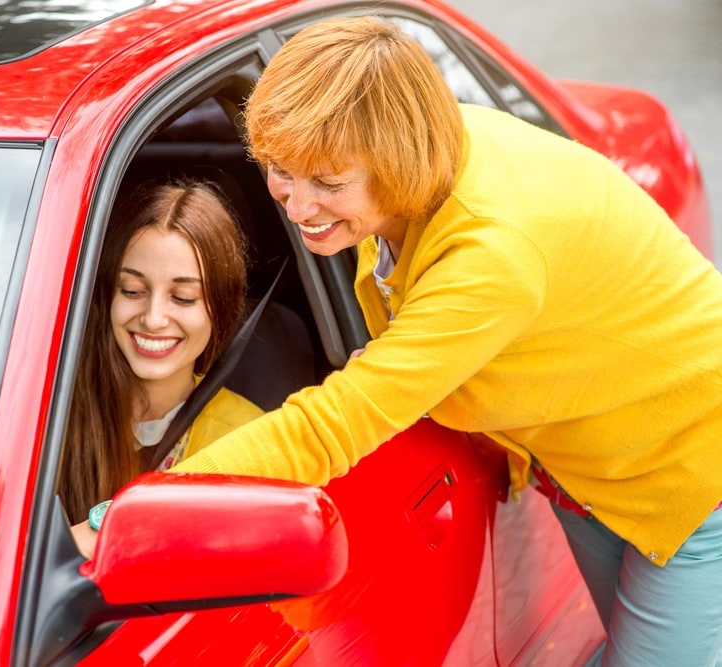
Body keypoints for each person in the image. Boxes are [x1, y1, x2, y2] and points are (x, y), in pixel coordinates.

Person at [164, 17, 722, 667]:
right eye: (279, 170)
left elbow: (329, 426)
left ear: (394, 161)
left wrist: (142, 512)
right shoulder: (407, 156)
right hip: (585, 461)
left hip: (687, 469)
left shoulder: (491, 255)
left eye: (328, 183)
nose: (297, 206)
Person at [57, 177, 263, 527]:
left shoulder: (251, 437)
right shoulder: (50, 415)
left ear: (222, 309)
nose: (153, 319)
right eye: (133, 290)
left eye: (183, 298)